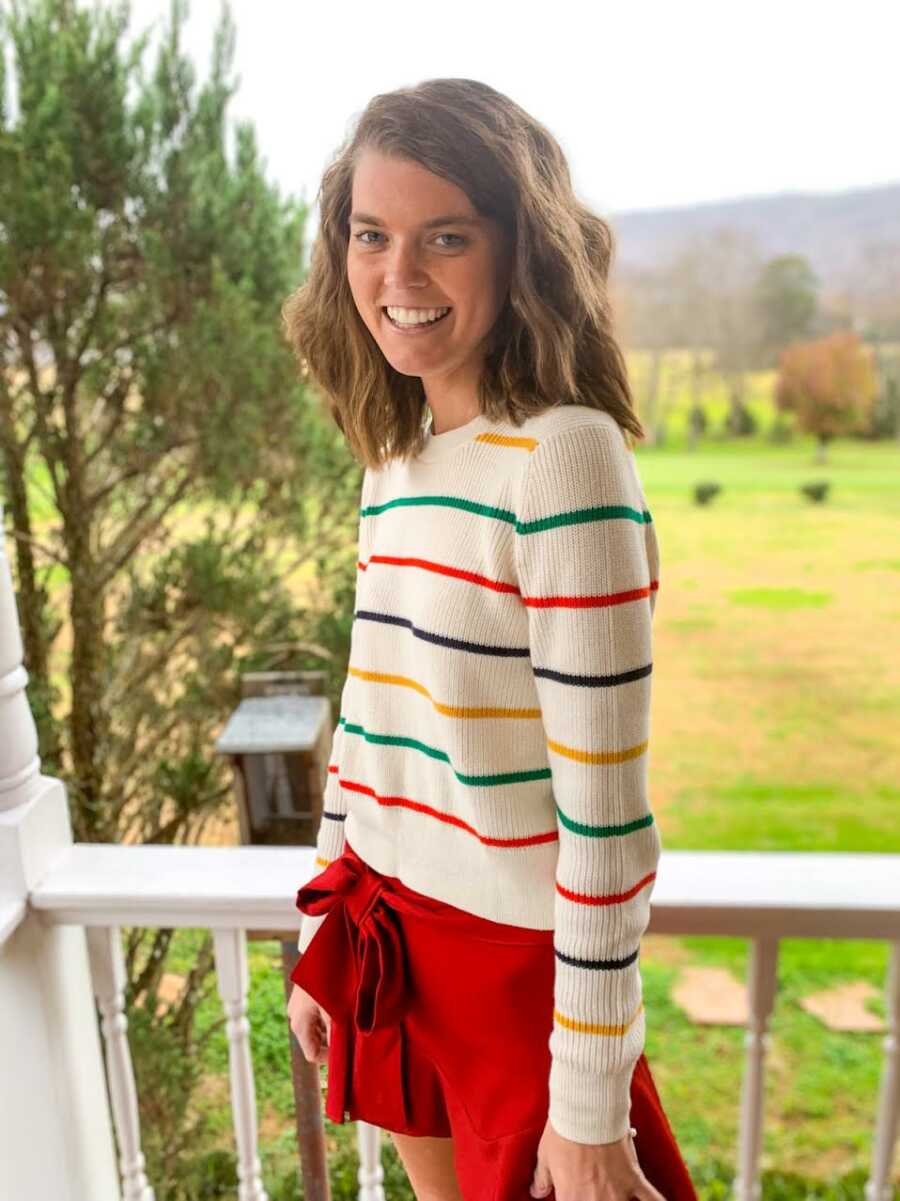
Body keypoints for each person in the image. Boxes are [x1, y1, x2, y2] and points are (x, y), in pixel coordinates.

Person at [282, 78, 697, 1201]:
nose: (397, 277)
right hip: (394, 942)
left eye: (445, 238)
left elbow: (608, 825)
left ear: (524, 253)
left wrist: (590, 1102)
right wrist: (327, 922)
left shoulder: (566, 459)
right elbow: (374, 713)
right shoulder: (398, 453)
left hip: (519, 987)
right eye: (372, 235)